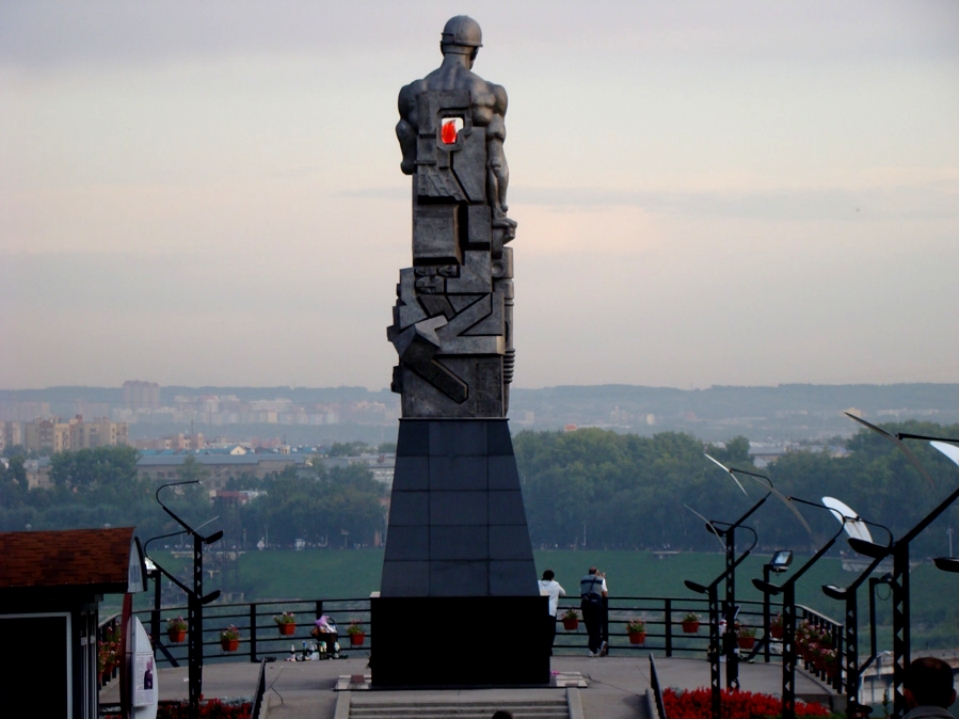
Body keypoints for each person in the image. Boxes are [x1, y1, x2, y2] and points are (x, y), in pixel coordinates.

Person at [580, 566, 608, 656]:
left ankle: (594, 648)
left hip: (586, 605)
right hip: (597, 605)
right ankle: (597, 645)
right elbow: (604, 593)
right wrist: (602, 578)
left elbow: (581, 592)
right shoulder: (600, 580)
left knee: (589, 626)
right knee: (597, 625)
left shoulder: (583, 580)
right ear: (596, 572)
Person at [538, 569, 566, 655]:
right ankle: (548, 649)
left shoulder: (538, 583)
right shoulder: (555, 584)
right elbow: (563, 593)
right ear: (552, 577)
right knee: (550, 632)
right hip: (551, 611)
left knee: (540, 631)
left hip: (540, 611)